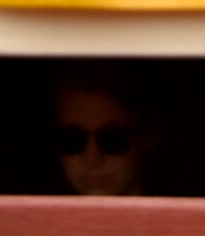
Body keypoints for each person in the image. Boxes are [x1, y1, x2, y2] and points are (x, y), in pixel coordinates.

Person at [53, 64, 156, 197]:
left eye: (113, 139)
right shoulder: (35, 217)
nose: (92, 159)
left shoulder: (180, 217)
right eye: (72, 139)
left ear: (150, 137)